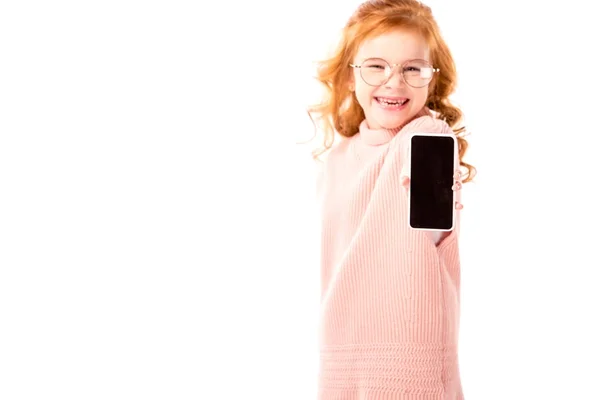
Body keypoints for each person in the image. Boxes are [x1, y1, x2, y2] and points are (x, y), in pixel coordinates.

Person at [307, 0, 477, 398]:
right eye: (376, 66)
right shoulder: (338, 158)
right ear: (350, 76)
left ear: (431, 80)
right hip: (341, 353)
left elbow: (431, 229)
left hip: (409, 359)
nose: (394, 82)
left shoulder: (428, 138)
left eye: (412, 68)